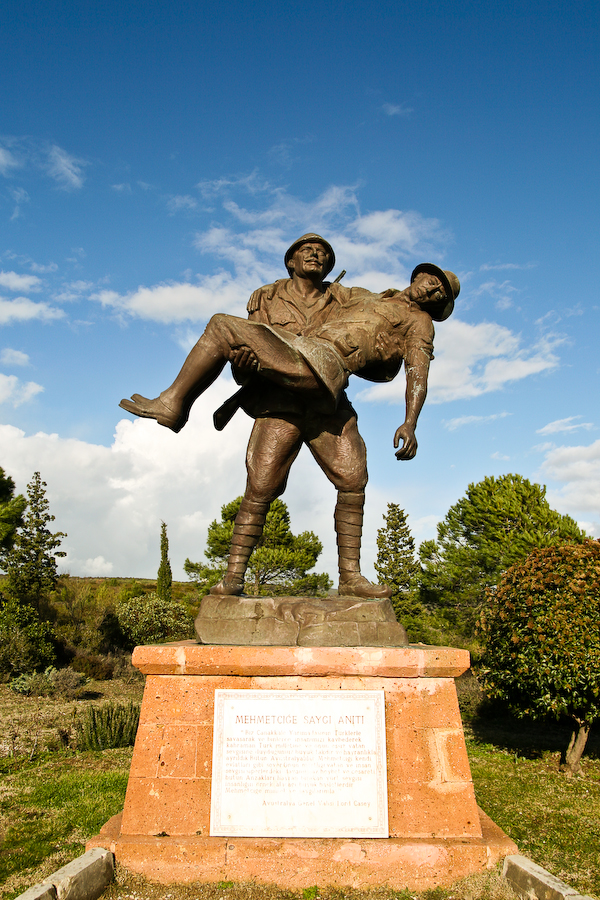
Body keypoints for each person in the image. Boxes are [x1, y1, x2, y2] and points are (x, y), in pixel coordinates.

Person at [120, 234, 459, 598]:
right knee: (263, 486)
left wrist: (410, 421)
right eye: (431, 279)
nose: (432, 289)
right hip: (286, 393)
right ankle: (232, 578)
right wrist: (252, 345)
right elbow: (302, 307)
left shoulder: (418, 322)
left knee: (221, 325)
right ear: (417, 275)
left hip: (322, 371)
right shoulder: (361, 295)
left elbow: (418, 372)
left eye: (440, 291)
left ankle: (351, 578)